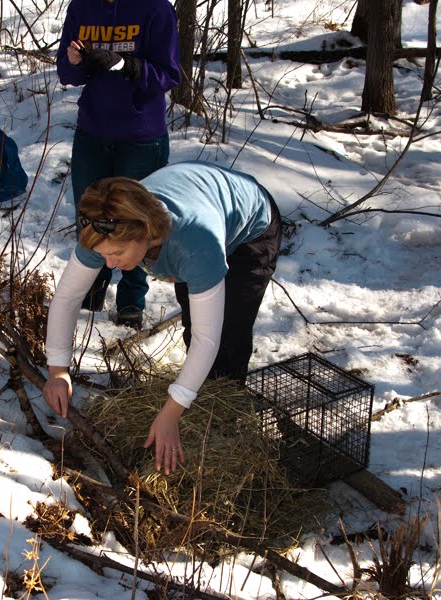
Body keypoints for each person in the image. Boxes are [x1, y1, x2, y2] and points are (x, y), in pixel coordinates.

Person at [43, 161, 283, 475]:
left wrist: (169, 413)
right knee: (195, 325)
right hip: (197, 205)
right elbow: (67, 298)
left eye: (116, 254)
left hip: (252, 227)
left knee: (227, 334)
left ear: (145, 232)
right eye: (104, 256)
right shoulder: (105, 228)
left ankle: (224, 420)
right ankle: (195, 397)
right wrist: (58, 371)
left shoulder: (196, 245)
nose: (109, 263)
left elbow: (207, 339)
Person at [55, 0, 181, 329]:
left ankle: (130, 302)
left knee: (137, 219)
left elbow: (168, 75)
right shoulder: (82, 7)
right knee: (91, 214)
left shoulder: (156, 9)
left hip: (140, 135)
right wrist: (74, 61)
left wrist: (123, 64)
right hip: (92, 131)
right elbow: (67, 74)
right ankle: (92, 287)